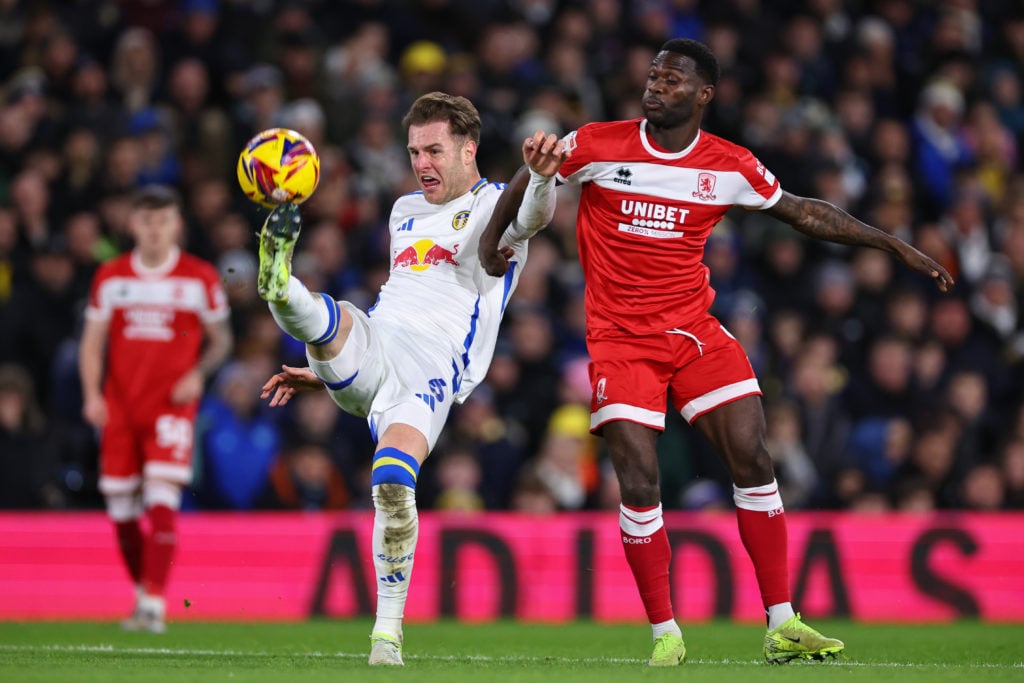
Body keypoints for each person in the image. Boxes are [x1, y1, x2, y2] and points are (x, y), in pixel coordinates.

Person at [479, 38, 954, 667]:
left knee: (754, 455)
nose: (656, 86)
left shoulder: (729, 165)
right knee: (639, 477)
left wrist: (892, 244)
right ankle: (665, 634)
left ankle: (783, 623)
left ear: (705, 94)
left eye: (672, 80)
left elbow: (805, 213)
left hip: (693, 331)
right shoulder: (595, 142)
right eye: (652, 76)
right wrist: (493, 244)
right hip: (620, 341)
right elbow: (529, 176)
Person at [257, 91, 564, 666]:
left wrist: (542, 178)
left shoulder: (493, 202)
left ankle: (386, 636)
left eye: (433, 149)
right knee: (334, 317)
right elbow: (400, 303)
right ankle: (279, 281)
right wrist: (324, 377)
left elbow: (532, 218)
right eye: (413, 151)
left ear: (468, 149)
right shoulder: (402, 211)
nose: (421, 162)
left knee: (393, 486)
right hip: (376, 344)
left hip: (430, 371)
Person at [79, 184, 233, 633]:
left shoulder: (199, 277)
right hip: (120, 407)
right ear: (132, 225)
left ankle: (154, 603)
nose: (154, 229)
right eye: (146, 220)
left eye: (162, 220)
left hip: (170, 406)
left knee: (162, 496)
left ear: (177, 224)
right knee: (121, 508)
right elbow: (92, 342)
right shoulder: (111, 276)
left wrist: (198, 374)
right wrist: (91, 394)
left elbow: (221, 339)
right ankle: (143, 594)